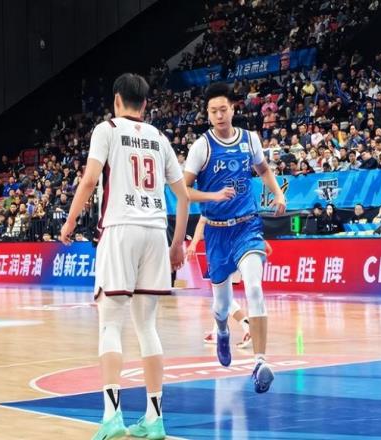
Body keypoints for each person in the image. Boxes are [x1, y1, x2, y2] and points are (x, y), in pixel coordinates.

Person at [60, 73, 189, 440]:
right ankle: (155, 418)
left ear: (117, 100)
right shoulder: (160, 137)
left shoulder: (107, 130)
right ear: (145, 104)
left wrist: (70, 221)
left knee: (110, 325)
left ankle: (111, 416)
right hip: (155, 233)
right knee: (147, 326)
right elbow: (182, 195)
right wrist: (177, 243)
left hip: (120, 230)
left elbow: (89, 180)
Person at [183, 83, 286, 394]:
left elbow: (263, 169)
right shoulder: (201, 147)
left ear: (232, 109)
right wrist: (213, 196)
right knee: (221, 305)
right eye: (213, 111)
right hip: (216, 232)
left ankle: (260, 361)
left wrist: (278, 193)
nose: (219, 115)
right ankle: (223, 331)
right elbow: (183, 190)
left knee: (254, 287)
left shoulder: (249, 139)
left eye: (223, 109)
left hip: (247, 226)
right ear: (208, 114)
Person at [186, 216, 253, 349]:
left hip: (223, 252)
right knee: (221, 296)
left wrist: (193, 243)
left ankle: (247, 325)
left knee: (222, 298)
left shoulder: (216, 206)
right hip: (236, 249)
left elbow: (202, 221)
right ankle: (217, 332)